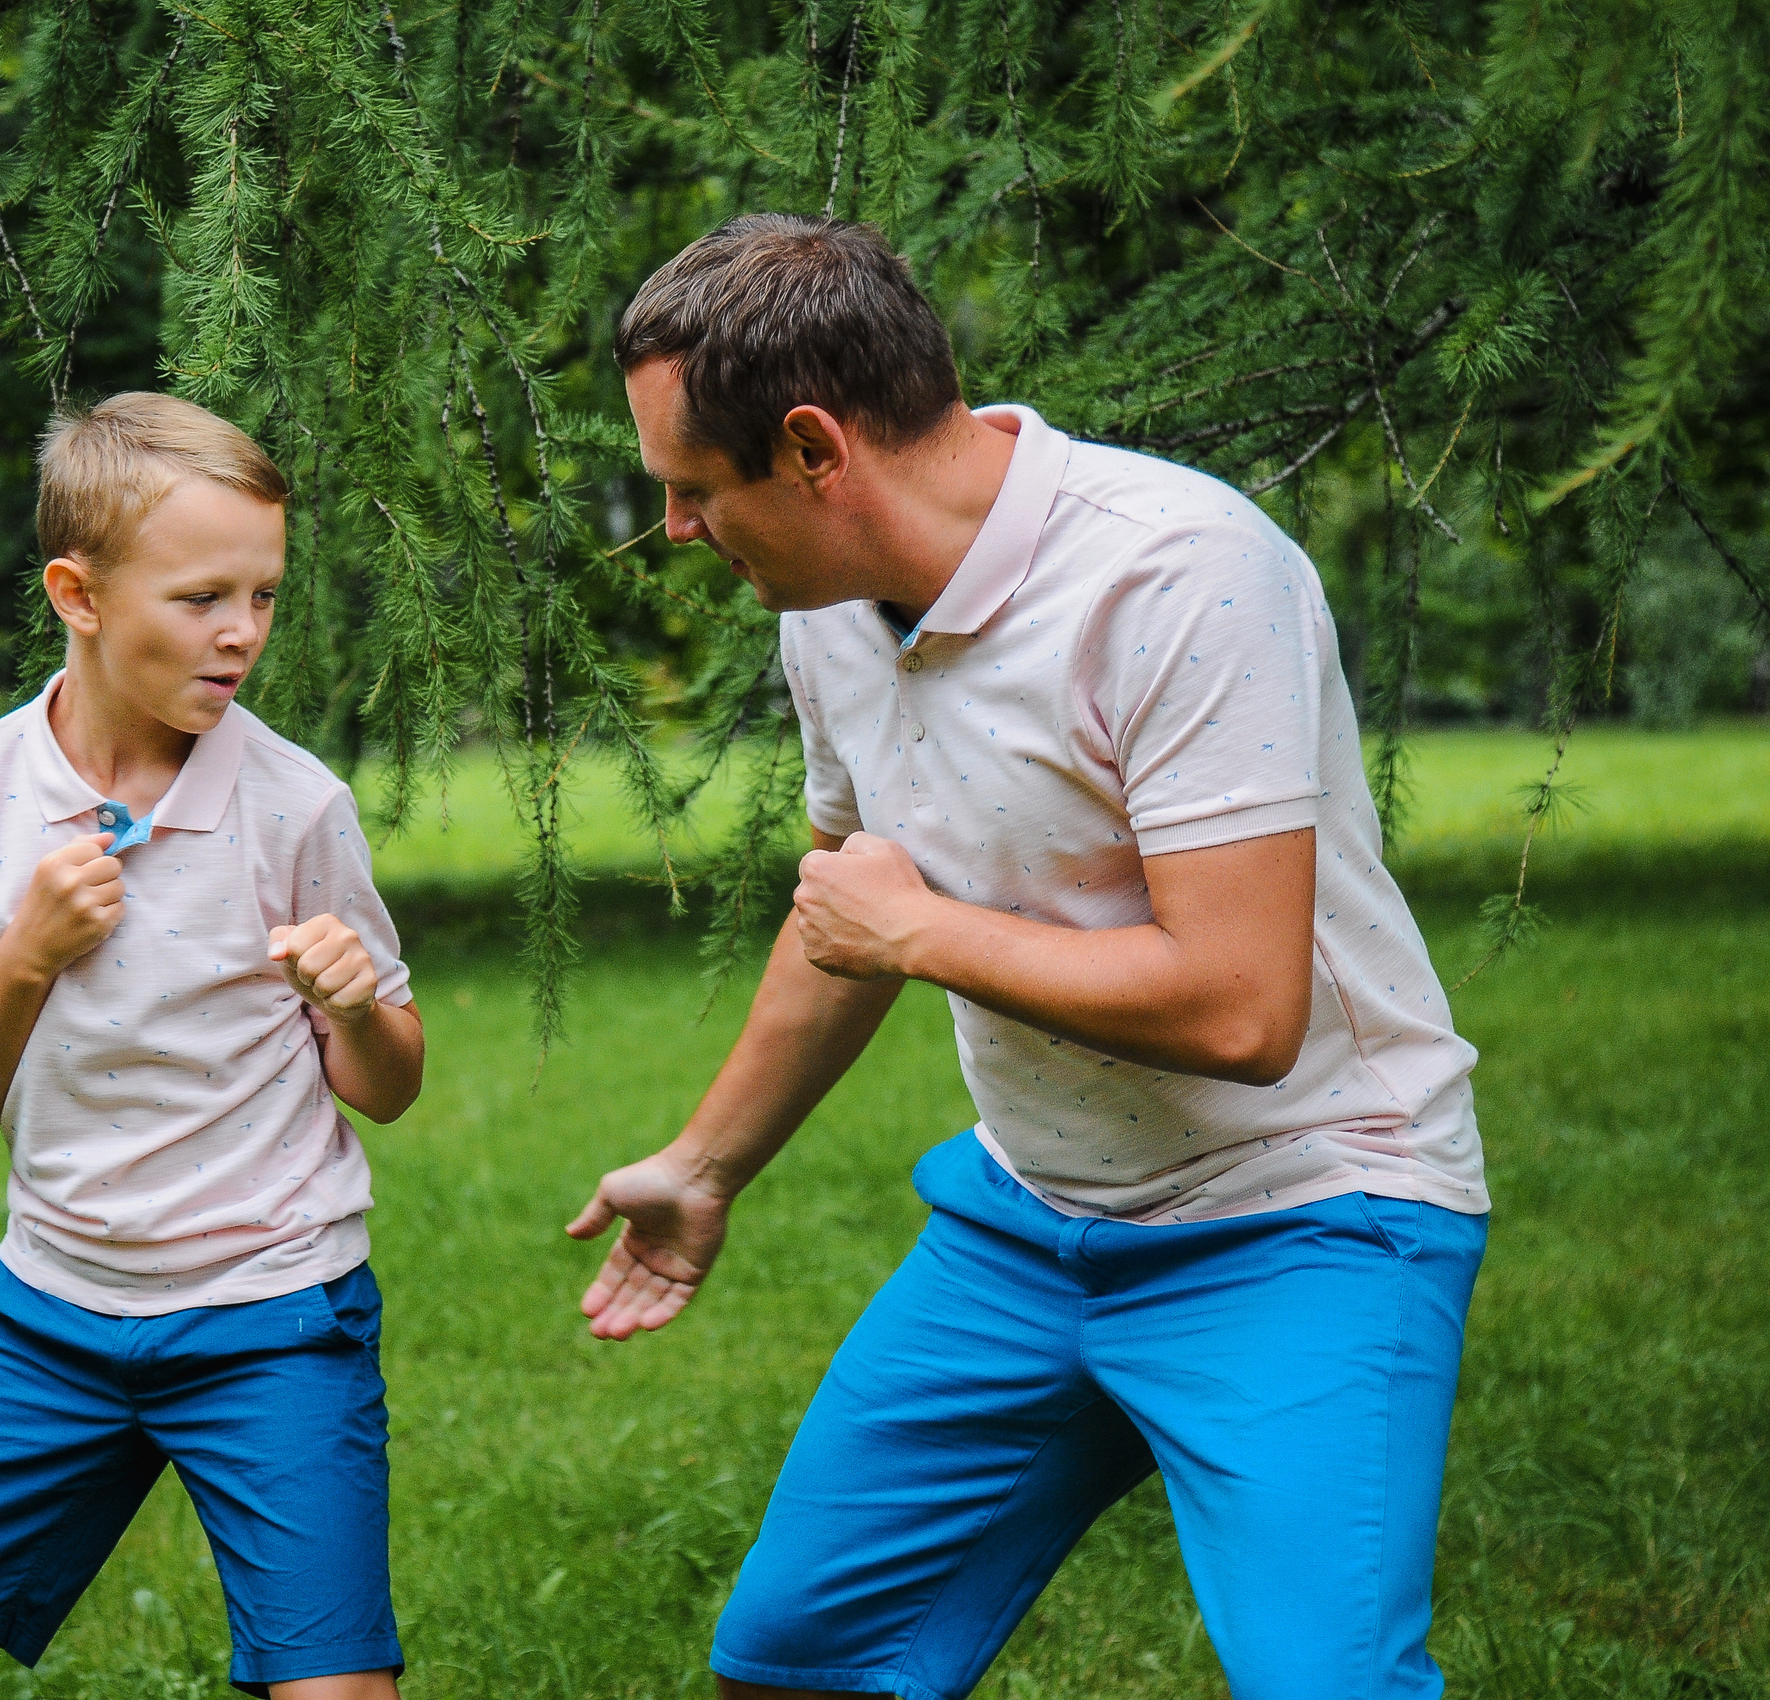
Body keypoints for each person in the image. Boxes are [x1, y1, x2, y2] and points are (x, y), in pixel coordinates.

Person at [567, 215, 1489, 1700]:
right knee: (796, 1663)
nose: (676, 530)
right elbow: (847, 918)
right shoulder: (828, 613)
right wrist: (706, 1164)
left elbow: (1244, 1007)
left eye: (693, 491)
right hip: (1028, 1221)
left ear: (814, 450)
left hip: (1312, 1212)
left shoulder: (1179, 575)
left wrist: (921, 932)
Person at [0, 393, 425, 1700]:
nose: (243, 634)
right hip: (55, 1316)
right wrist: (27, 957)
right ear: (78, 596)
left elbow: (389, 1087)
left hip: (276, 1313)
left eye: (264, 595)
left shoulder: (295, 805)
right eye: (204, 596)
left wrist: (361, 1006)